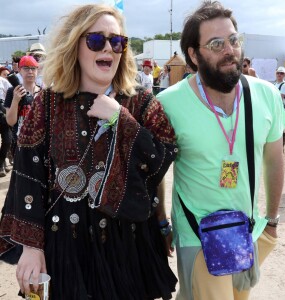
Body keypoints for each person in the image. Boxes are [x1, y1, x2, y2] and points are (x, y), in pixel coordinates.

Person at [0, 4, 177, 300]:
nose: (109, 47)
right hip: (67, 247)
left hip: (129, 246)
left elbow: (161, 160)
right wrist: (31, 247)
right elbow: (27, 175)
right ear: (76, 45)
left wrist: (120, 118)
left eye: (117, 41)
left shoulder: (142, 103)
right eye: (97, 40)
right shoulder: (48, 104)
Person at [157, 1, 285, 299]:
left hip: (247, 232)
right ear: (193, 54)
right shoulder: (168, 104)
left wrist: (273, 221)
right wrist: (162, 222)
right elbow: (156, 173)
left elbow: (274, 161)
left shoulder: (266, 95)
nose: (230, 50)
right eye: (216, 43)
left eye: (233, 40)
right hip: (197, 234)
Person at [5, 56, 41, 158]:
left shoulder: (43, 92)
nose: (30, 71)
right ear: (20, 70)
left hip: (40, 143)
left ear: (37, 70)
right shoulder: (12, 91)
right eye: (26, 68)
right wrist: (16, 100)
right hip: (20, 142)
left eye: (33, 68)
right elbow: (10, 121)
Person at [274, 66, 285, 148]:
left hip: (281, 110)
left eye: (281, 73)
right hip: (274, 109)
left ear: (284, 75)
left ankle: (281, 147)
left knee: (281, 128)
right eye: (278, 73)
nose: (279, 74)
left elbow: (281, 97)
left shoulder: (284, 85)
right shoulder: (274, 84)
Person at [0, 76, 12, 176]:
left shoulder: (3, 81)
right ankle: (1, 165)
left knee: (7, 141)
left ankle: (2, 161)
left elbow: (11, 95)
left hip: (3, 116)